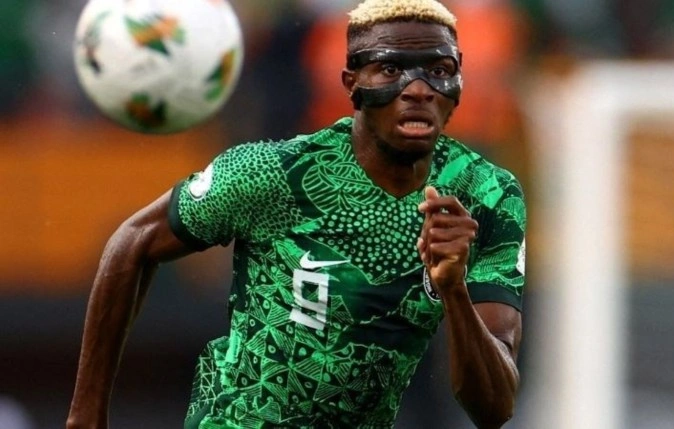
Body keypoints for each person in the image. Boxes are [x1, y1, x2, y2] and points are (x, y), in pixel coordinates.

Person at [66, 0, 527, 428]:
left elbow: (494, 408)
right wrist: (86, 414)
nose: (419, 89)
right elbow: (133, 241)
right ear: (351, 83)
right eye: (390, 69)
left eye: (440, 71)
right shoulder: (274, 173)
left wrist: (454, 290)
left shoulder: (486, 197)